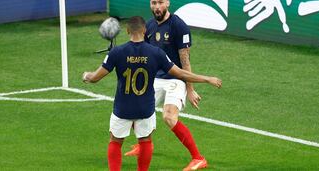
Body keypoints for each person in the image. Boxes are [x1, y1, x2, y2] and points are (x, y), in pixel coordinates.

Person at [82, 16, 222, 171]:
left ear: (128, 31)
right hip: (145, 108)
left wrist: (86, 76)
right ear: (145, 31)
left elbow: (95, 78)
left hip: (123, 108)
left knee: (115, 141)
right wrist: (207, 79)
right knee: (145, 141)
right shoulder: (156, 53)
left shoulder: (117, 52)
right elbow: (181, 73)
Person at [124, 0, 211, 171]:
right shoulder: (149, 26)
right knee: (133, 109)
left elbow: (185, 61)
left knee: (169, 117)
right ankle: (145, 145)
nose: (157, 6)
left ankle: (198, 158)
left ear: (168, 3)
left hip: (175, 79)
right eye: (154, 3)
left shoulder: (178, 26)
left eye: (160, 2)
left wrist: (190, 89)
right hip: (155, 78)